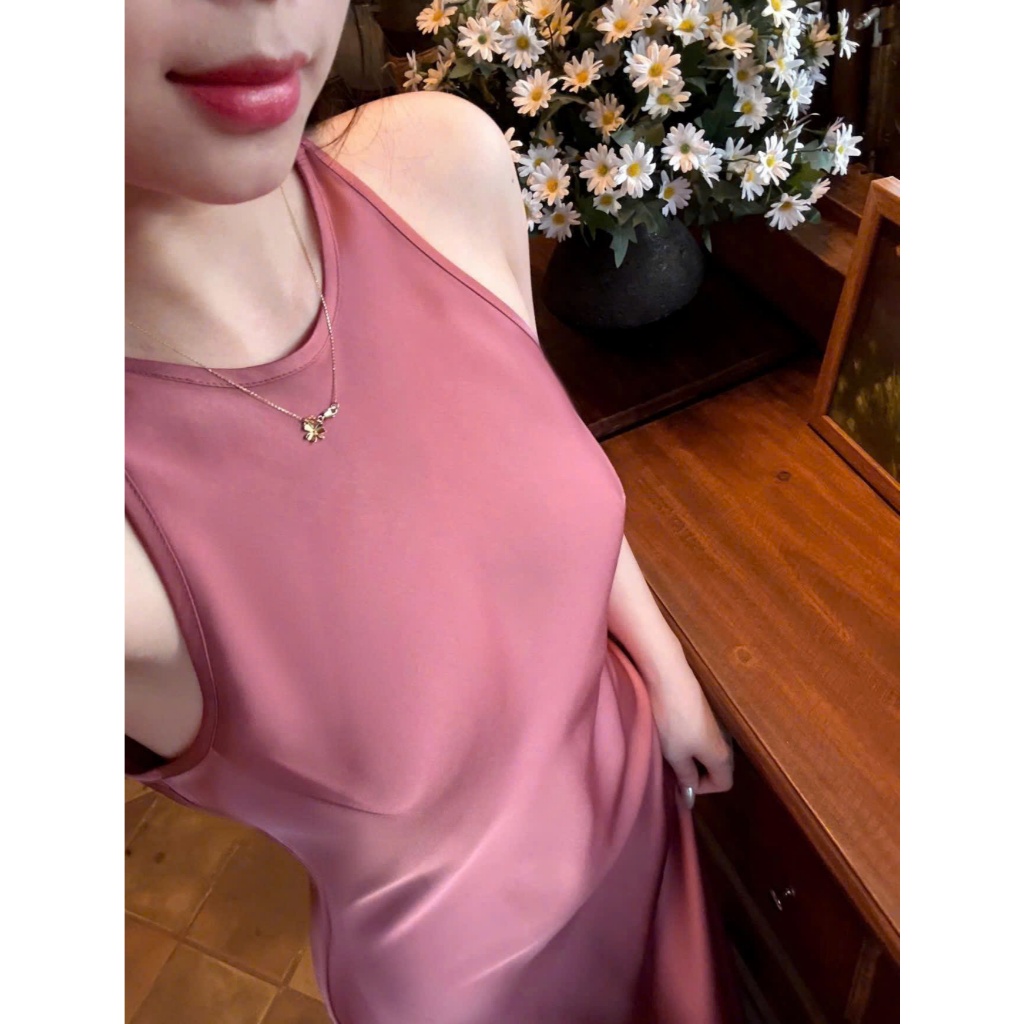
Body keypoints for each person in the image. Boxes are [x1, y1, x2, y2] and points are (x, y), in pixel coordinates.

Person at [125, 2, 744, 1021]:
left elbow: (533, 462)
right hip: (483, 993)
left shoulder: (439, 166)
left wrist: (663, 671)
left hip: (650, 831)